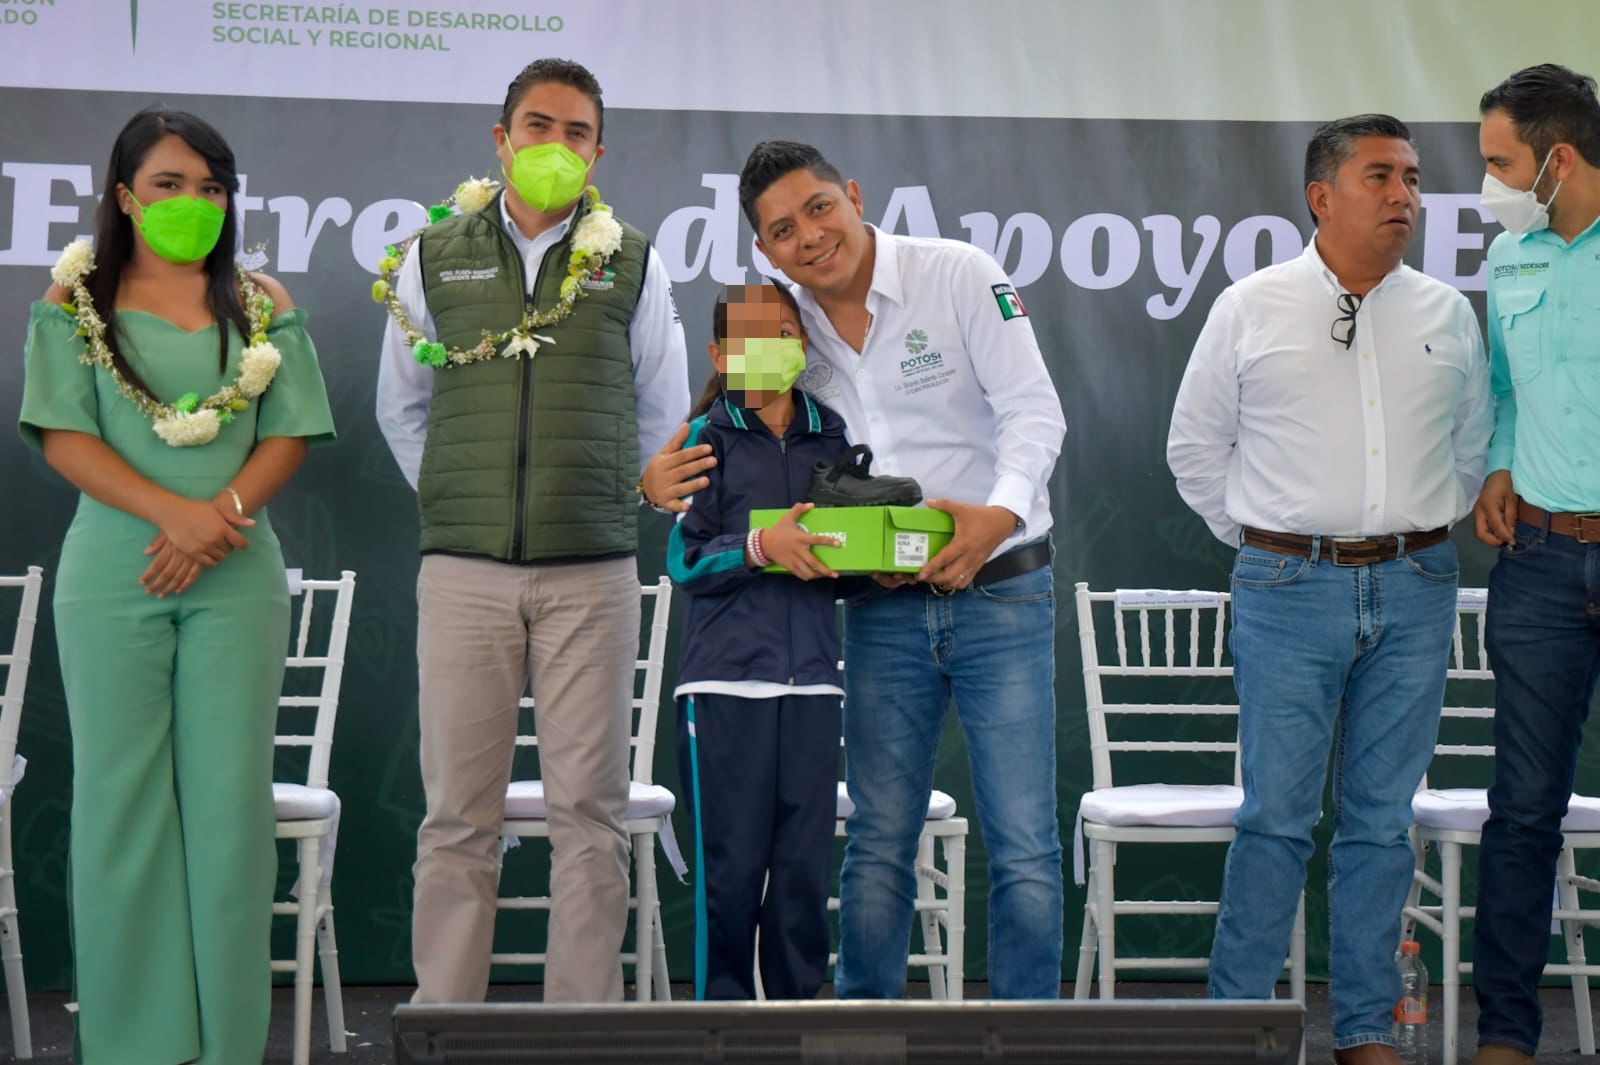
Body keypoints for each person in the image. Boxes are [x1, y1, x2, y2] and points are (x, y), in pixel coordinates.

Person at [645, 140, 1067, 999]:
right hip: (879, 610)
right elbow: (718, 434)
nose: (809, 236)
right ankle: (858, 1035)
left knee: (1024, 844)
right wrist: (656, 482)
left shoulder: (957, 274)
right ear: (765, 250)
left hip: (1002, 587)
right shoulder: (784, 332)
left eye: (819, 209)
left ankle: (1024, 1036)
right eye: (783, 230)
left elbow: (1034, 411)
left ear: (855, 197)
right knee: (876, 840)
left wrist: (997, 515)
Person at [1166, 114, 1493, 1063]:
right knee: (1274, 816)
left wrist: (1412, 529)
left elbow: (1472, 449)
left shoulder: (1446, 312)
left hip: (1417, 585)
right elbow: (1194, 449)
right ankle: (1238, 1024)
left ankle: (1363, 1028)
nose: (1405, 196)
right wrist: (1275, 543)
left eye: (1413, 178)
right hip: (1286, 586)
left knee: (1383, 823)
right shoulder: (1250, 306)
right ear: (1321, 196)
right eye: (1380, 177)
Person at [18, 108, 334, 1064]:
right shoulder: (73, 301)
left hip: (238, 575)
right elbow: (63, 434)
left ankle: (228, 1043)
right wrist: (175, 515)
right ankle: (134, 1043)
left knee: (231, 807)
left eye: (210, 187)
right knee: (121, 803)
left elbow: (290, 432)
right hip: (113, 576)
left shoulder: (262, 301)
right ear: (125, 196)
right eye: (169, 184)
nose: (193, 201)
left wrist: (218, 514)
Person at [375, 57, 689, 1003]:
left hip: (593, 572)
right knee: (456, 817)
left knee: (588, 814)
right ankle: (445, 1023)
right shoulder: (434, 253)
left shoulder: (633, 258)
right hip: (463, 574)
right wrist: (460, 502)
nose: (556, 144)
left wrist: (605, 498)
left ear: (598, 154)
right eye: (538, 126)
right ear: (502, 139)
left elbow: (662, 413)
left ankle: (579, 1030)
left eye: (576, 132)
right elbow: (403, 407)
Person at [1467, 64, 1600, 1065]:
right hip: (1541, 561)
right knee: (1519, 813)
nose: (1488, 185)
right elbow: (1509, 390)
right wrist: (1501, 464)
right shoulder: (1509, 257)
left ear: (1558, 159)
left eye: (1500, 163)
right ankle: (1506, 1040)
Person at [668, 282, 853, 1001]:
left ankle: (798, 1020)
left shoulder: (832, 434)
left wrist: (875, 566)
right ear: (720, 355)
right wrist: (759, 547)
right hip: (723, 685)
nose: (768, 348)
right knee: (732, 869)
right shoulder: (702, 438)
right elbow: (685, 560)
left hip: (814, 684)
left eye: (781, 332)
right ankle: (722, 1025)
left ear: (803, 344)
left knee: (803, 871)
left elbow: (844, 556)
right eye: (748, 337)